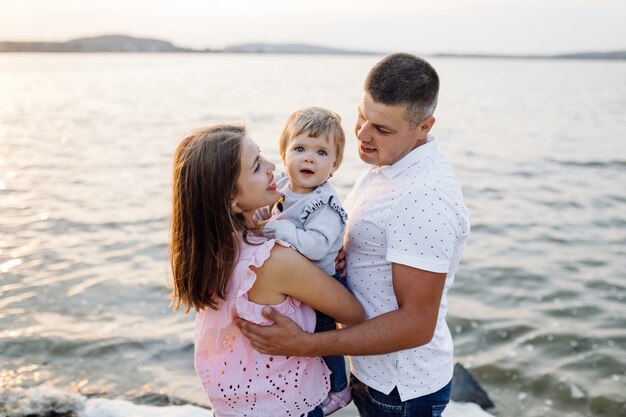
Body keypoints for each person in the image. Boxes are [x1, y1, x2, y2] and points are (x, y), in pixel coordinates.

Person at [236, 53, 470, 417]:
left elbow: (416, 325)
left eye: (382, 129)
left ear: (424, 127)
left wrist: (305, 345)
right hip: (369, 371)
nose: (361, 134)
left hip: (401, 390)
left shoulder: (424, 198)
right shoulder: (388, 163)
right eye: (362, 116)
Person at [169, 124, 365, 417]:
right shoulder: (273, 261)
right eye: (257, 166)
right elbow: (354, 314)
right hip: (285, 407)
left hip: (234, 406)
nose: (274, 166)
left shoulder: (210, 250)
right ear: (233, 199)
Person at [256, 107, 352, 414]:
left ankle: (339, 388)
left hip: (322, 283)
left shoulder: (326, 205)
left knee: (323, 336)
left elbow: (315, 246)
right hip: (294, 282)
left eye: (322, 152)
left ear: (334, 165)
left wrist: (280, 228)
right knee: (299, 333)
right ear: (283, 155)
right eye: (300, 148)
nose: (309, 158)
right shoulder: (282, 185)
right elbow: (266, 212)